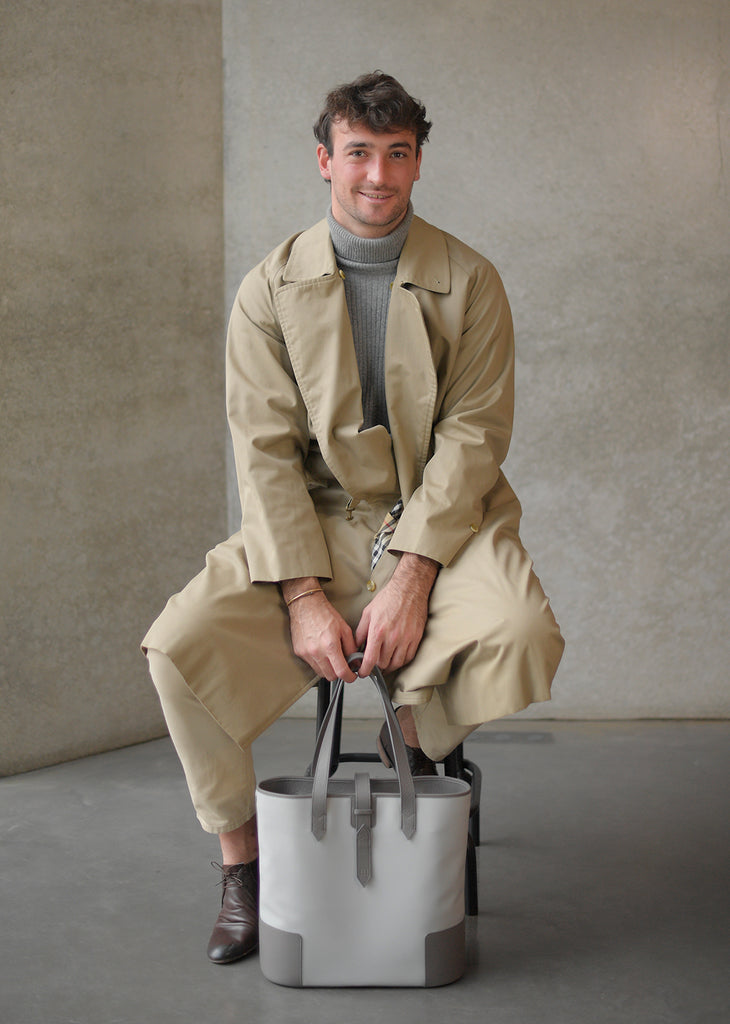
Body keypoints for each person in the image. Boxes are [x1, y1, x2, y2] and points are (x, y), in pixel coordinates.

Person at [142, 70, 564, 965]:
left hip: (444, 521)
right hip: (314, 527)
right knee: (180, 646)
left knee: (520, 628)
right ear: (325, 160)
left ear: (418, 163)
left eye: (398, 154)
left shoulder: (471, 280)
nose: (379, 174)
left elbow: (475, 437)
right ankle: (244, 870)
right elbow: (263, 454)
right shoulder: (266, 290)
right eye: (360, 153)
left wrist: (414, 574)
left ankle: (407, 731)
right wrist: (299, 593)